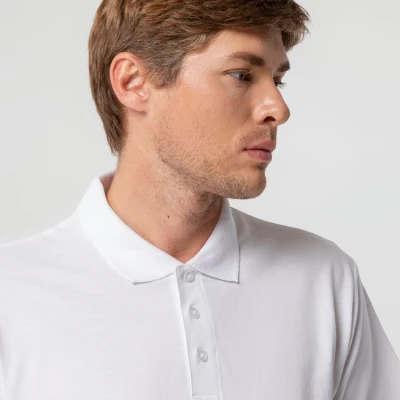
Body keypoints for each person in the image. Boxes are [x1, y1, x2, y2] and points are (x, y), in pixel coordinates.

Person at [0, 0, 399, 399]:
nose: (278, 109)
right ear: (133, 81)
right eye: (242, 75)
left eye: (277, 81)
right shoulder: (12, 298)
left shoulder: (324, 280)